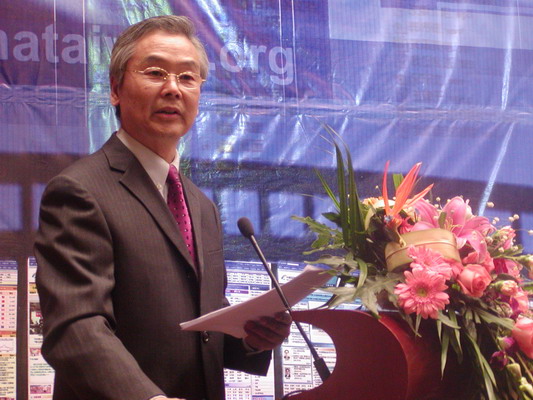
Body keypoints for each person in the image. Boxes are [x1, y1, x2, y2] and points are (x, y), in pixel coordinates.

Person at [34, 15, 291, 400]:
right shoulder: (80, 190)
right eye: (155, 73)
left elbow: (201, 326)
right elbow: (76, 326)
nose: (173, 88)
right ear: (116, 89)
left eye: (187, 77)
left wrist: (252, 339)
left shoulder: (200, 205)